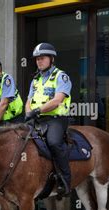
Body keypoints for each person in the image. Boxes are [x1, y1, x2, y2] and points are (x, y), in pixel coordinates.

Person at [25, 42, 72, 197]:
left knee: (53, 142)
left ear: (51, 59)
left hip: (56, 119)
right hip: (37, 119)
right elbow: (28, 101)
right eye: (37, 59)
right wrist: (29, 114)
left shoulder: (61, 76)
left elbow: (57, 100)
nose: (39, 61)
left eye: (42, 58)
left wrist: (37, 111)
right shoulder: (36, 80)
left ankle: (65, 180)